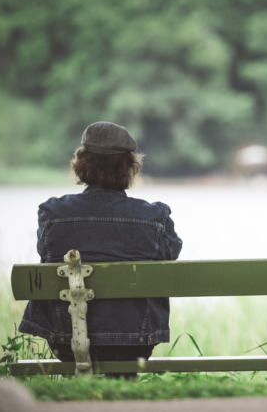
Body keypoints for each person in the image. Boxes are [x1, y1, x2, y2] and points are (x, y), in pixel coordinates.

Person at [18, 122, 182, 376]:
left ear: (82, 165)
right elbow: (170, 256)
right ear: (129, 168)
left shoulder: (52, 213)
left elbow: (46, 255)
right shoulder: (154, 217)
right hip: (132, 341)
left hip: (65, 340)